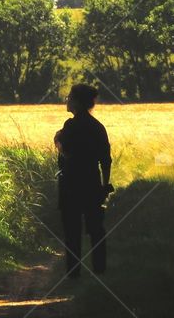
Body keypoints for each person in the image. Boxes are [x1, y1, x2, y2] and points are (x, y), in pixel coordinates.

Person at [54, 83, 112, 278]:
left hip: (71, 185)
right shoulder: (98, 127)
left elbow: (66, 150)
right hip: (92, 183)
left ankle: (73, 273)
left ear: (77, 102)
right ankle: (100, 269)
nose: (67, 100)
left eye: (70, 97)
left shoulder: (70, 126)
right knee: (96, 229)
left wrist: (57, 141)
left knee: (72, 231)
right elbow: (106, 160)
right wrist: (105, 185)